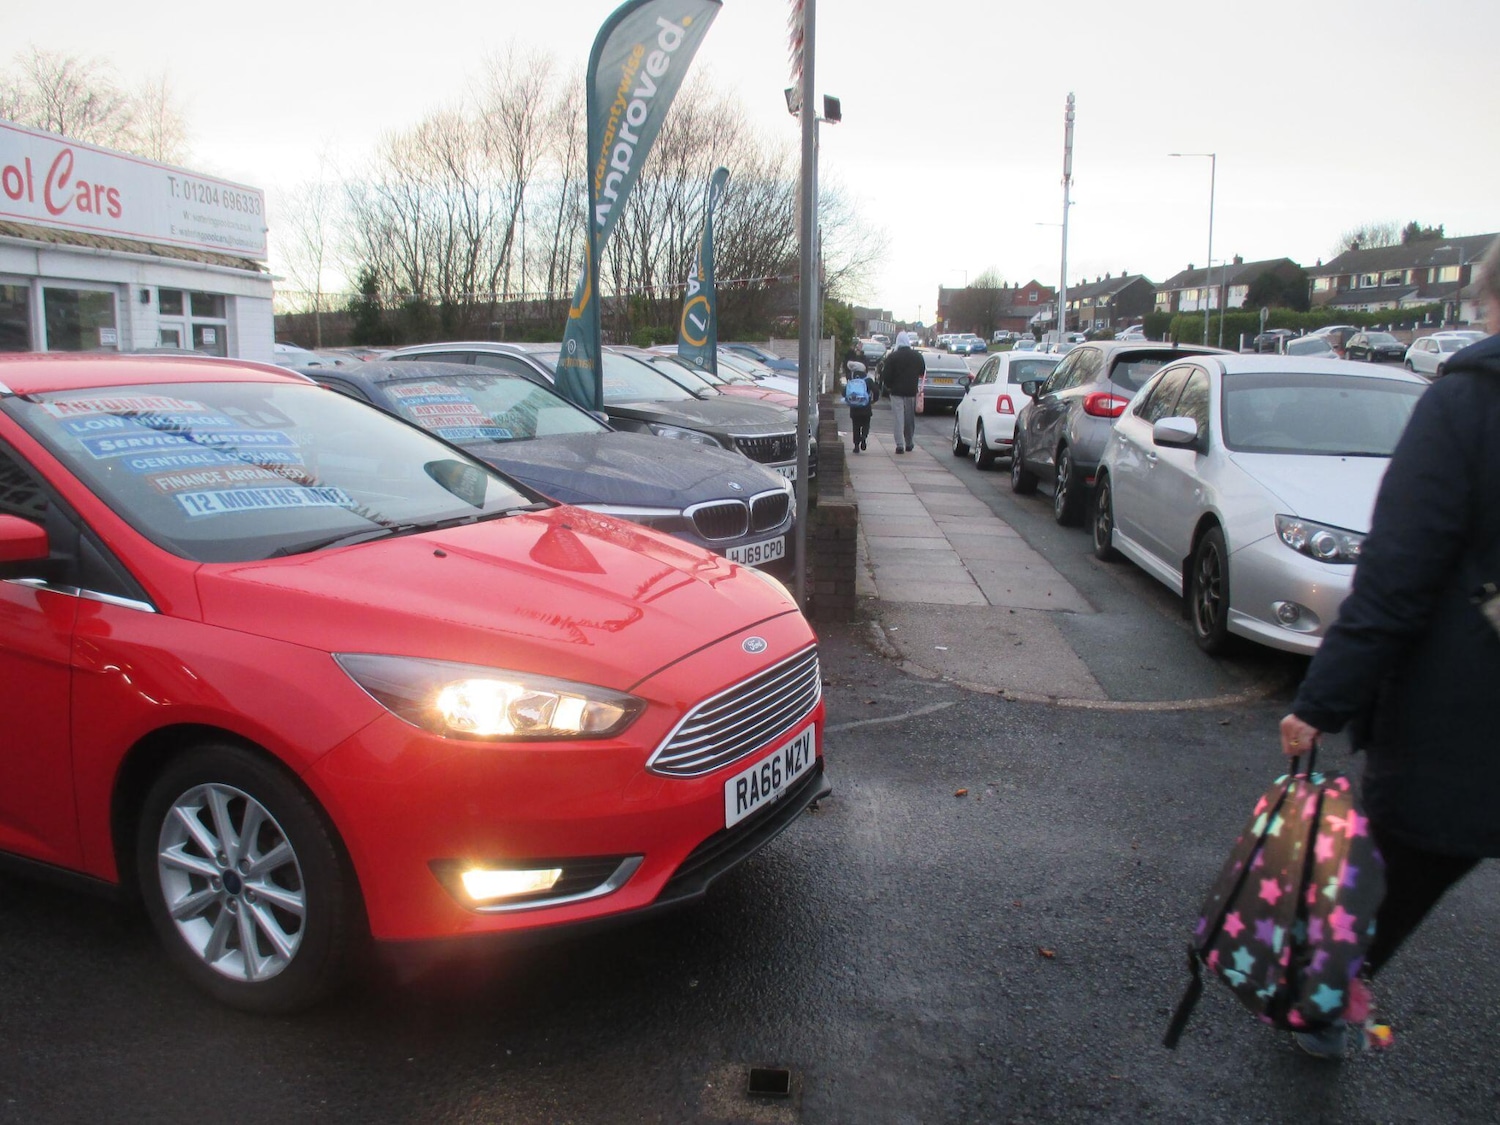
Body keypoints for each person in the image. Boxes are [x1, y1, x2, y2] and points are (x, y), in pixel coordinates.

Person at [1277, 235, 1500, 1059]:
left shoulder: (1468, 404)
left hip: (1461, 711)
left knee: (1390, 875)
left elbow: (1398, 575)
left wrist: (1319, 702)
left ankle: (1321, 1002)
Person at [881, 331, 924, 454]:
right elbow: (922, 370)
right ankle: (909, 442)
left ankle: (899, 444)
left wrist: (889, 386)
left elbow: (886, 375)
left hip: (896, 392)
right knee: (909, 418)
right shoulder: (916, 356)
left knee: (898, 419)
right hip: (911, 391)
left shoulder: (893, 356)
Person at [842, 359, 875, 452]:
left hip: (854, 408)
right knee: (866, 424)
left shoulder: (851, 379)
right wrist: (873, 401)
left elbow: (844, 392)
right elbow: (876, 391)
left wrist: (850, 400)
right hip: (866, 407)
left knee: (855, 426)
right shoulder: (868, 380)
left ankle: (856, 446)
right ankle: (864, 436)